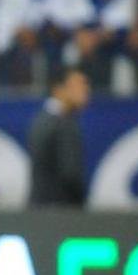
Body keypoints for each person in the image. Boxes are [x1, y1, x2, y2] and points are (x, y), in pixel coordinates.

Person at [28, 65, 90, 206]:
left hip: (40, 210)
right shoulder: (64, 124)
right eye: (79, 85)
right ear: (59, 89)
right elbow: (71, 173)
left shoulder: (41, 119)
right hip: (61, 214)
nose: (86, 90)